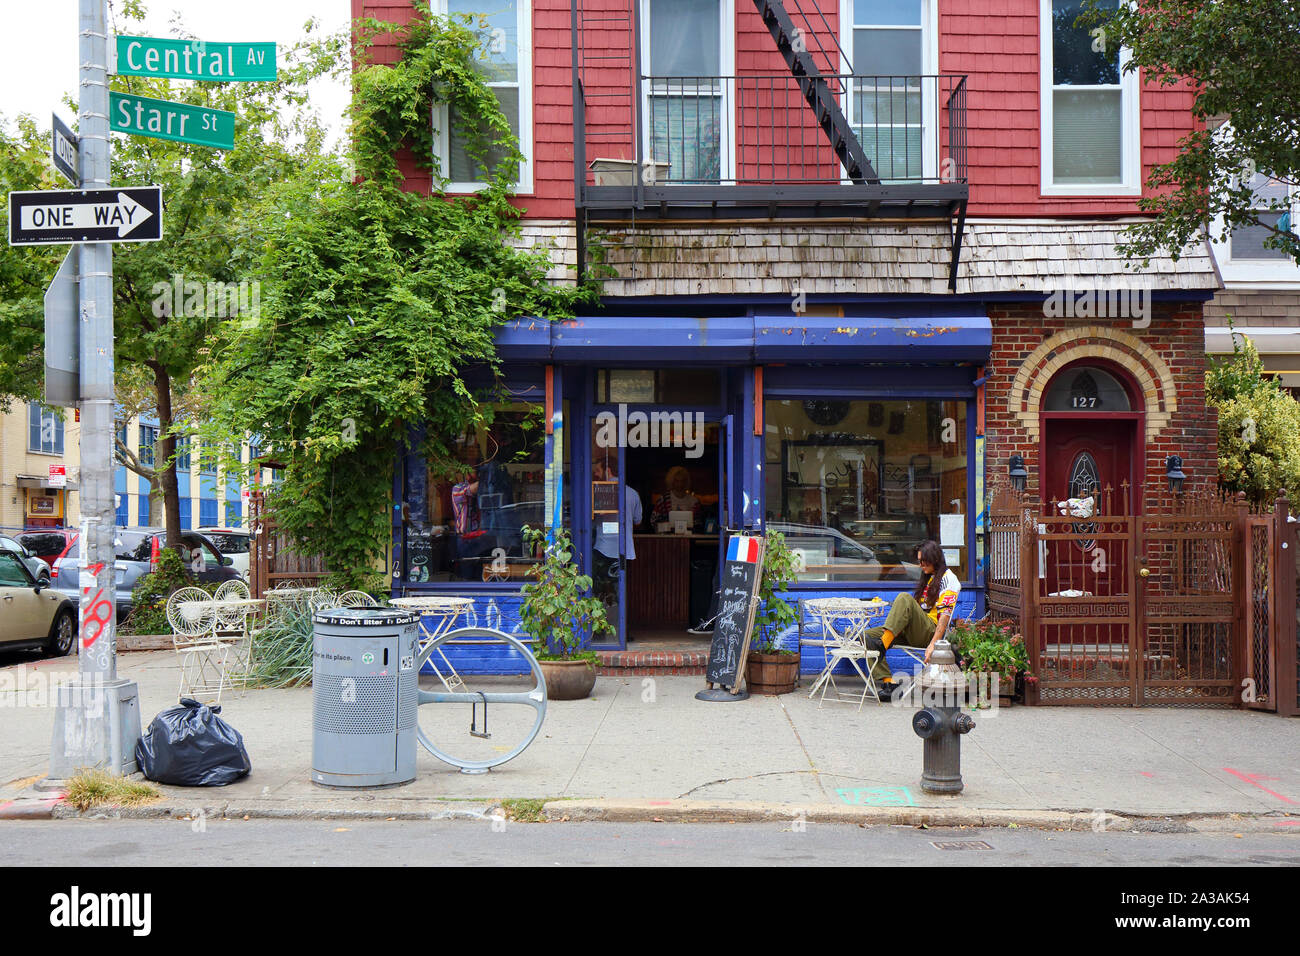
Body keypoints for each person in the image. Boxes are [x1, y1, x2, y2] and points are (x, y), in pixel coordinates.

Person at [862, 540, 960, 701]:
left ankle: (882, 645)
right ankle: (890, 684)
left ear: (934, 558)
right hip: (914, 630)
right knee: (866, 636)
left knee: (904, 598)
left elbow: (944, 617)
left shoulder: (949, 579)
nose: (920, 564)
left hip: (930, 631)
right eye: (918, 561)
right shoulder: (929, 577)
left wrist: (932, 645)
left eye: (923, 561)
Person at [591, 457, 643, 627]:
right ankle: (622, 631)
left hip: (602, 549)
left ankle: (600, 629)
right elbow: (638, 521)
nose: (596, 475)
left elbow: (591, 517)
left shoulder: (599, 491)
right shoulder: (632, 493)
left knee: (600, 592)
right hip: (625, 550)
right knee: (621, 592)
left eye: (598, 471)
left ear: (608, 470)